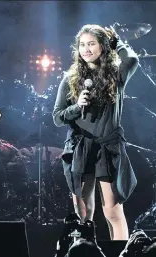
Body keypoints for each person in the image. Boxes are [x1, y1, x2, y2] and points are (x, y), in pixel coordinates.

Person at [52, 24, 139, 240]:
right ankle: (83, 250)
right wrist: (76, 107)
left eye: (91, 44)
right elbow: (57, 117)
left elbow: (132, 59)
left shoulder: (115, 75)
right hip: (81, 147)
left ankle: (122, 253)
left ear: (103, 46)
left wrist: (117, 41)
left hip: (107, 146)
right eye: (82, 45)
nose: (86, 49)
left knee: (112, 210)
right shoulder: (71, 78)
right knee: (82, 211)